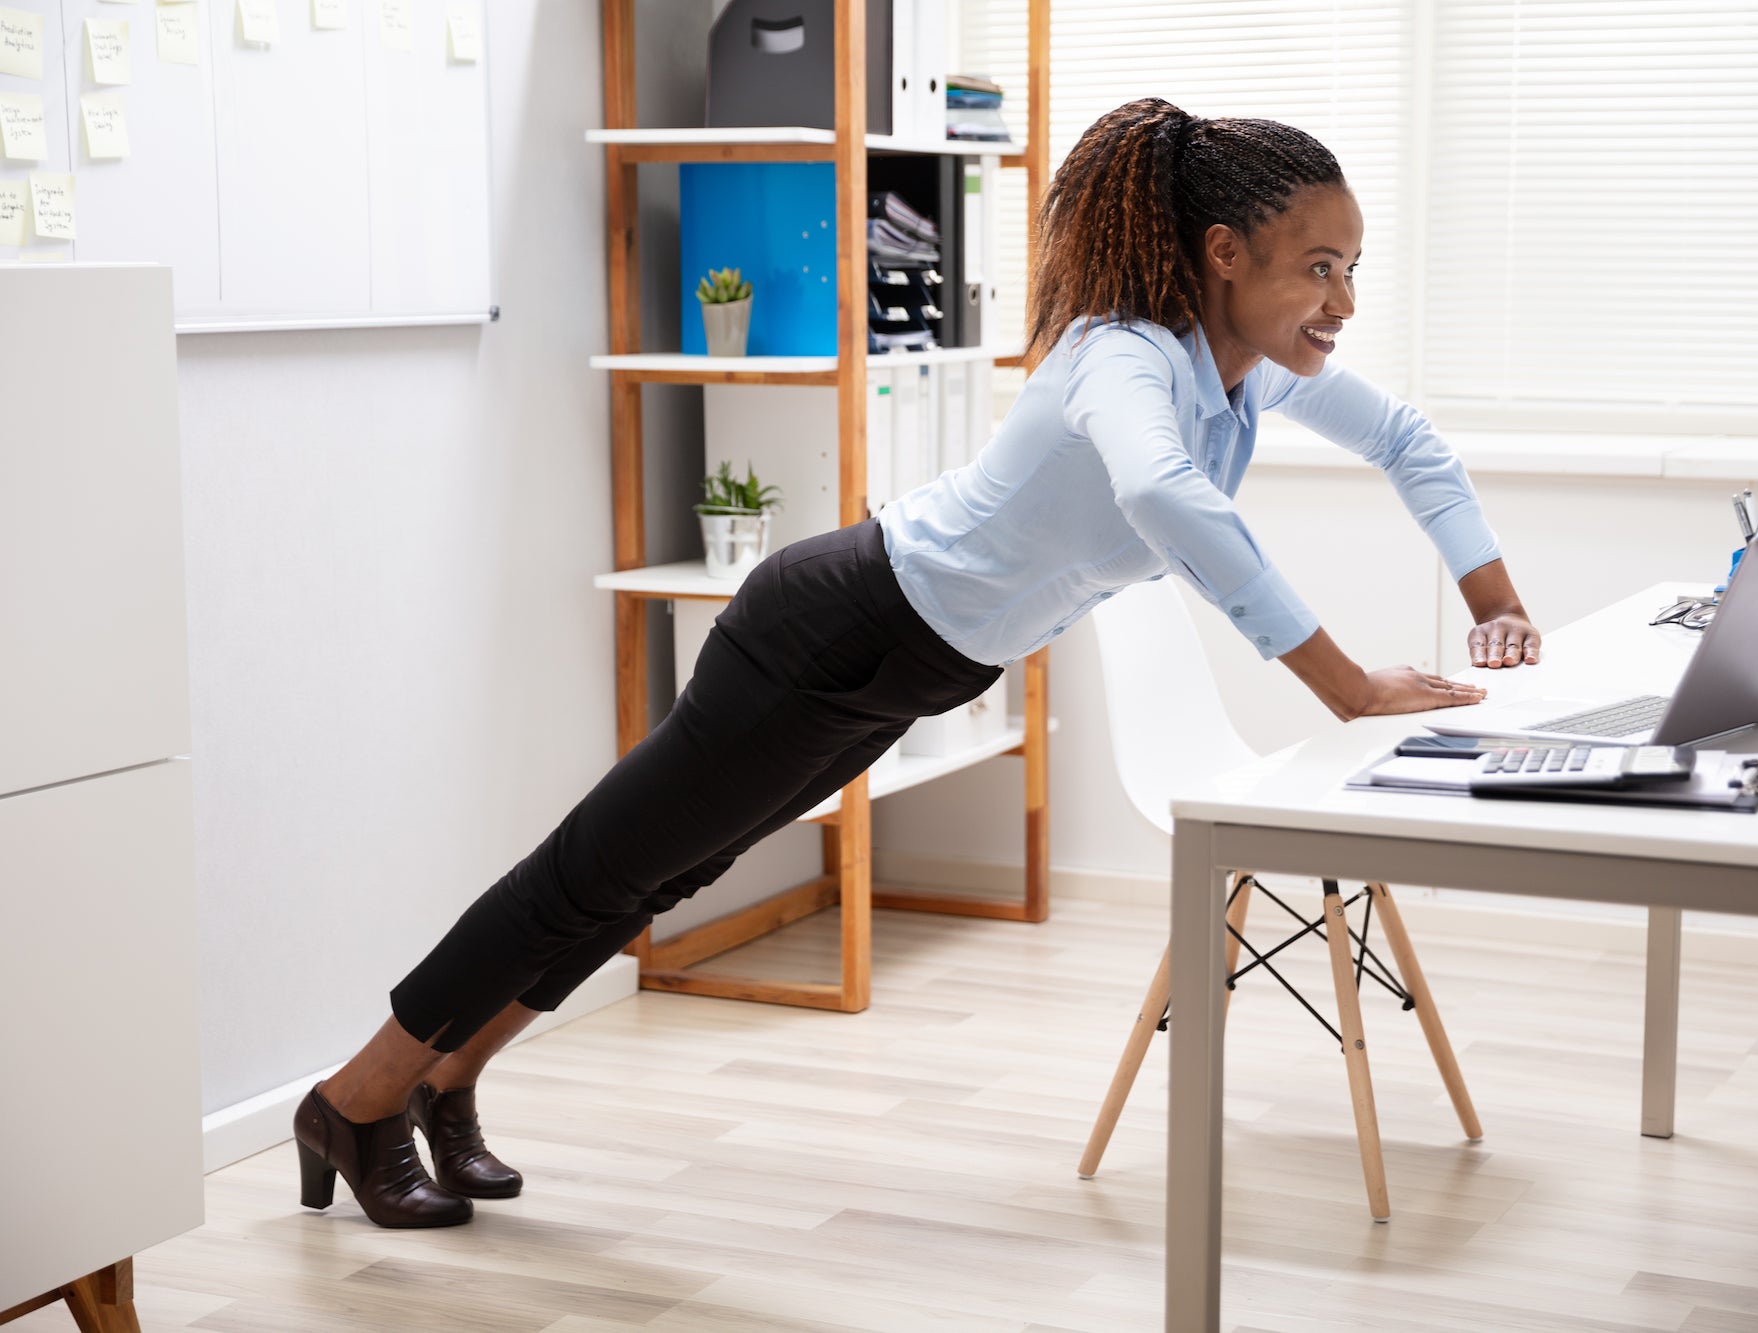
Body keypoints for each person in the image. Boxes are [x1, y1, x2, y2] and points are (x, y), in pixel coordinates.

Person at [293, 96, 1543, 1228]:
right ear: (1225, 253)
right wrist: (1343, 684)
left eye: (1351, 268)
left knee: (661, 872)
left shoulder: (1242, 375)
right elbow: (1164, 496)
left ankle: (446, 1080)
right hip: (830, 630)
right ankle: (352, 1101)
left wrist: (1491, 601)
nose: (1341, 300)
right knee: (590, 871)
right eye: (1319, 267)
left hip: (914, 665)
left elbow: (1405, 438)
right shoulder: (1122, 355)